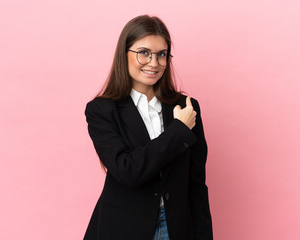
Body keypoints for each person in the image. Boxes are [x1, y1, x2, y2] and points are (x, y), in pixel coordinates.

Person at [84, 15, 213, 240]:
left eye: (161, 54)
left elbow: (196, 184)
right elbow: (128, 171)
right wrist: (178, 131)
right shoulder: (102, 110)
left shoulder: (186, 107)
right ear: (124, 54)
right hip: (123, 228)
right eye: (144, 52)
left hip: (177, 227)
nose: (154, 63)